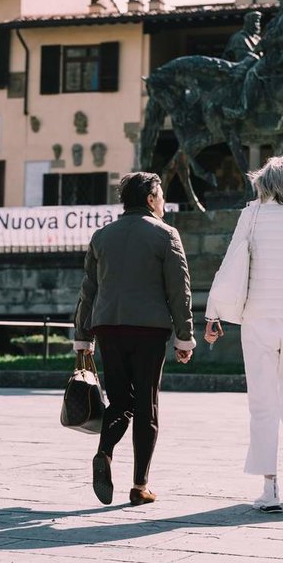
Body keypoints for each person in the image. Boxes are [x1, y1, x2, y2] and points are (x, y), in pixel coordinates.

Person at [204, 155, 283, 513]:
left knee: (263, 403)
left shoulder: (252, 216)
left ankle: (270, 488)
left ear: (265, 183)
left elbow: (230, 265)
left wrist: (214, 313)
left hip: (259, 320)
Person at [73, 172, 195, 506]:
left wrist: (82, 335)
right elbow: (178, 291)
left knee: (120, 402)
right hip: (149, 330)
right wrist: (185, 338)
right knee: (147, 406)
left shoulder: (102, 236)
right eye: (161, 196)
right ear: (151, 198)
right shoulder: (166, 235)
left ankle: (104, 453)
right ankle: (140, 485)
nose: (164, 204)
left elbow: (89, 289)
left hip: (108, 327)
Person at [223, 0, 283, 126]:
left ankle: (244, 110)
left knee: (251, 74)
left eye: (281, 2)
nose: (280, 5)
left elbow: (273, 37)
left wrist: (260, 46)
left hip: (278, 60)